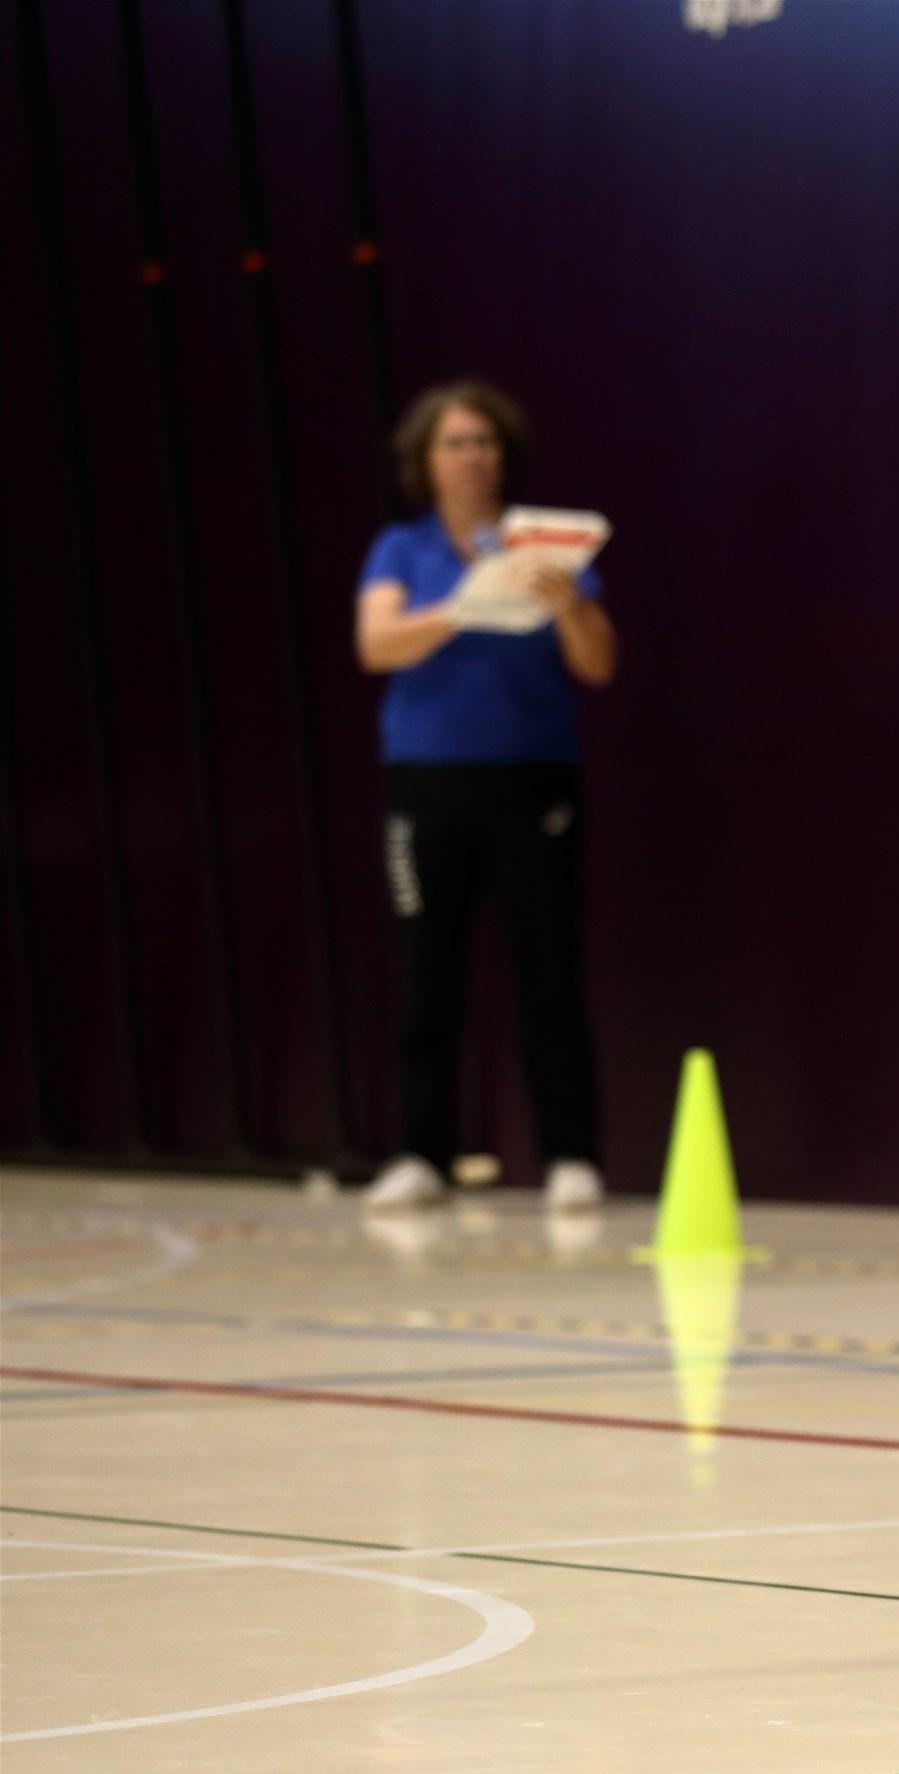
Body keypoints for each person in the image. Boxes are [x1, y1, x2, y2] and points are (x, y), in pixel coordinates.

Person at [352, 380, 616, 1211]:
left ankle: (570, 1154)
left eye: (484, 442)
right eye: (455, 443)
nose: (473, 457)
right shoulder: (404, 549)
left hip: (530, 780)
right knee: (427, 971)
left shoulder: (543, 547)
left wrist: (564, 605)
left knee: (548, 967)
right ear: (425, 460)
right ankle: (421, 1152)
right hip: (427, 784)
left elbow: (598, 664)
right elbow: (377, 643)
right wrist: (464, 606)